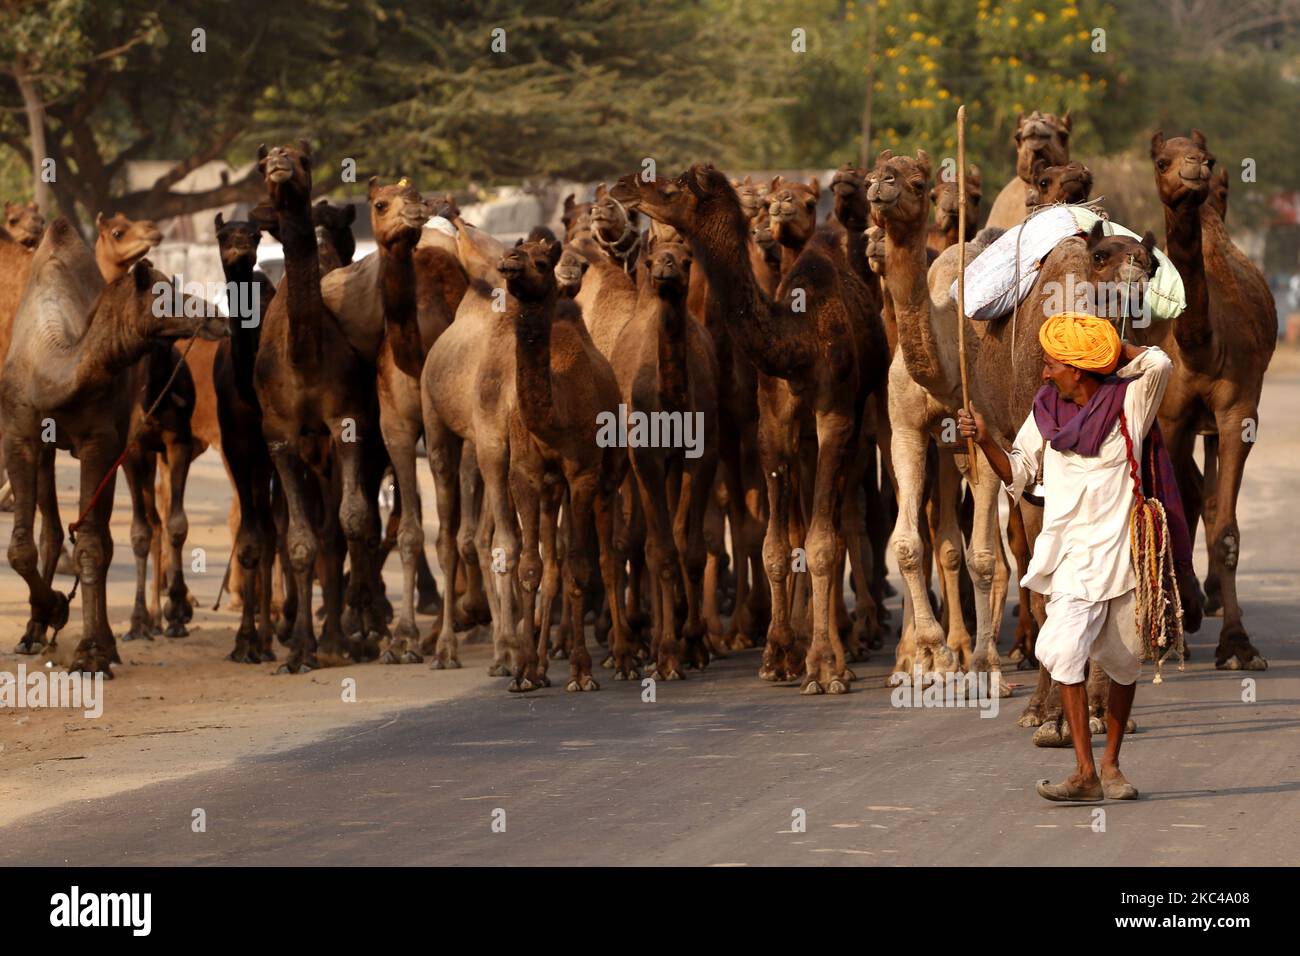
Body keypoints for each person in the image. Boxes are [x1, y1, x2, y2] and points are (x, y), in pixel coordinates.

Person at [958, 311, 1173, 802]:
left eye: (1054, 362)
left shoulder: (1130, 403)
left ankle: (1112, 764)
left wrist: (1112, 350)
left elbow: (1159, 362)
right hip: (1072, 558)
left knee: (1124, 664)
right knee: (1060, 650)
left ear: (1080, 368)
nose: (1045, 371)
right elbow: (1018, 472)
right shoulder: (1045, 411)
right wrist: (985, 437)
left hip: (1122, 557)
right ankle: (1084, 772)